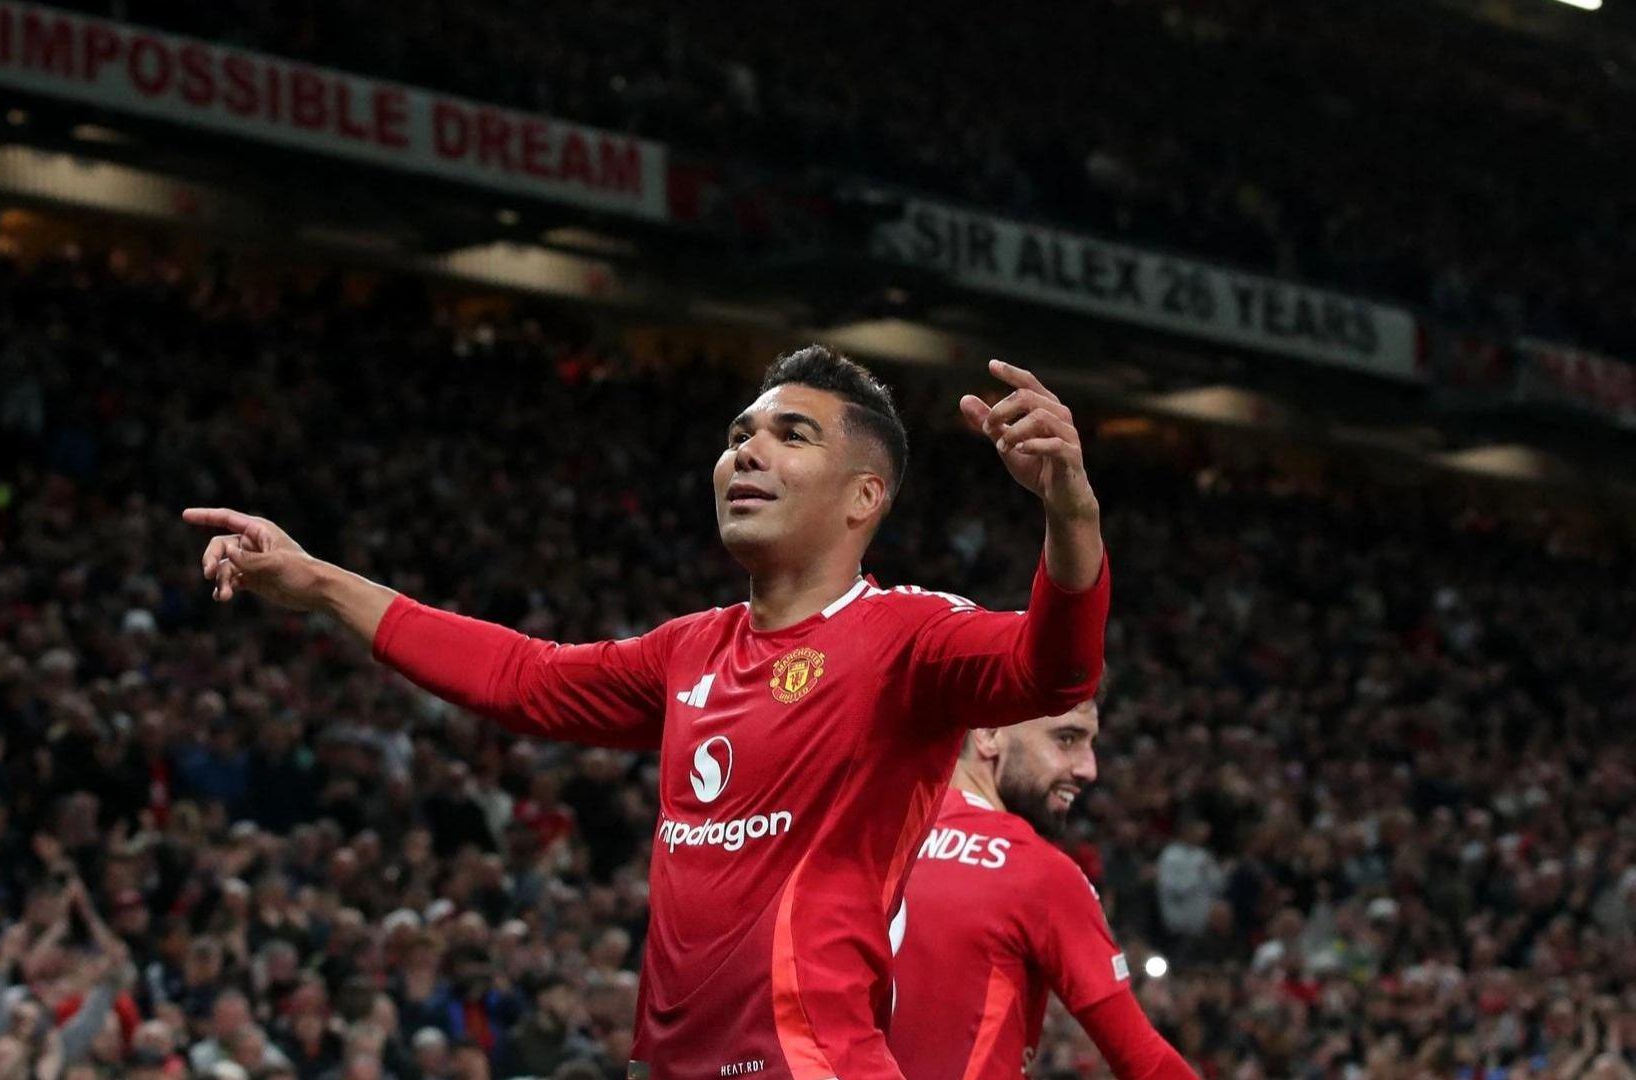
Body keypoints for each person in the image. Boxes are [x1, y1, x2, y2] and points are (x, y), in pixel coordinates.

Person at [184, 346, 1110, 1078]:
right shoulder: (690, 651)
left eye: (791, 435)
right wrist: (318, 582)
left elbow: (1056, 668)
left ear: (864, 496)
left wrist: (1069, 510)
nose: (746, 452)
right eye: (740, 433)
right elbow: (520, 677)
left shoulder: (908, 638)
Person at [887, 701, 1194, 1079]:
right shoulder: (1037, 872)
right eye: (1066, 739)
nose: (1089, 769)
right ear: (989, 733)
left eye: (1090, 744)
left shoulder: (870, 841)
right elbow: (1145, 1061)